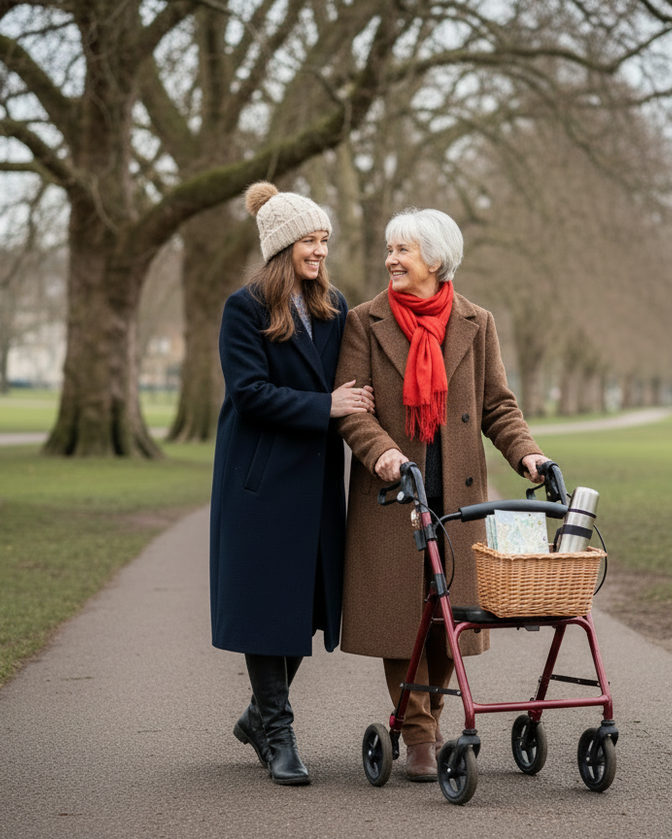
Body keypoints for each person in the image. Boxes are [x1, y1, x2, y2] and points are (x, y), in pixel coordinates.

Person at [334, 207, 549, 782]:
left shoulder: (478, 322)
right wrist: (382, 454)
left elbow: (497, 406)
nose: (390, 261)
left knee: (449, 618)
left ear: (435, 258)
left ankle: (432, 714)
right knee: (402, 615)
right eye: (389, 250)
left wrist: (527, 452)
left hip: (456, 495)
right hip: (394, 494)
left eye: (402, 250)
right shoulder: (364, 322)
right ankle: (421, 733)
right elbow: (353, 409)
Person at [209, 181, 374, 786]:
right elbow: (248, 395)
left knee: (305, 604)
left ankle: (259, 714)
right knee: (265, 607)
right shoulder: (244, 308)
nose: (320, 251)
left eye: (325, 240)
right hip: (259, 481)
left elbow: (352, 382)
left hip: (317, 481)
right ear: (282, 245)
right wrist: (323, 407)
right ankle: (278, 731)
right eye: (310, 239)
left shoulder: (335, 308)